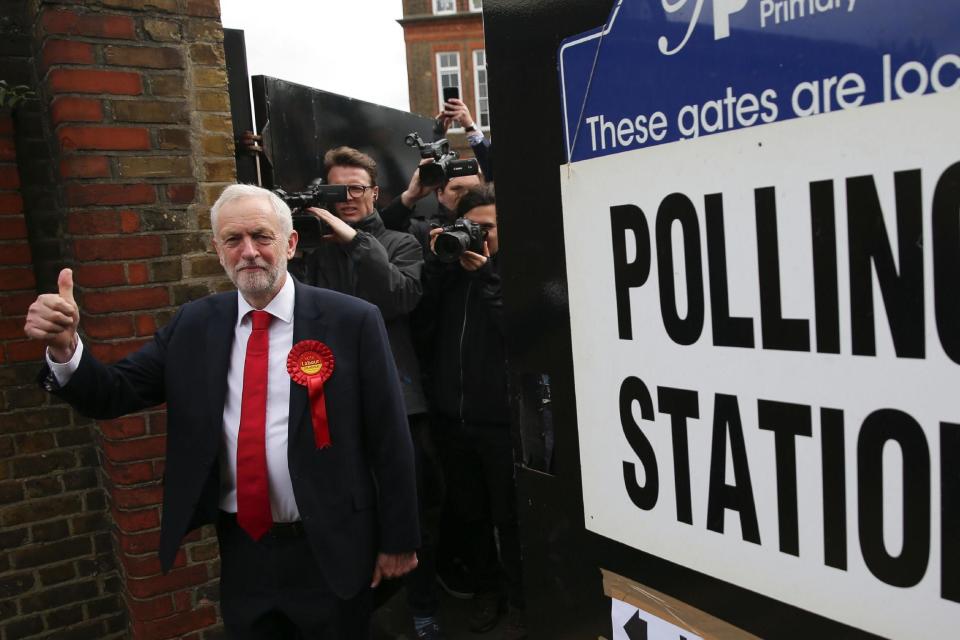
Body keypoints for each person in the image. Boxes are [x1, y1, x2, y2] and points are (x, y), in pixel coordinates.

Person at [23, 184, 420, 640]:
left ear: (289, 244)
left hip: (330, 544)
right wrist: (65, 347)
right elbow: (114, 393)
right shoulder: (195, 324)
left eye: (261, 236)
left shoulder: (352, 320)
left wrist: (399, 539)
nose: (248, 251)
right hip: (243, 549)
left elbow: (390, 438)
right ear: (218, 250)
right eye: (233, 240)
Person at [302, 147, 445, 640]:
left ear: (374, 193)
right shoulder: (314, 258)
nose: (346, 199)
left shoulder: (403, 242)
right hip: (332, 405)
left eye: (356, 188)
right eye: (336, 190)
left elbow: (399, 297)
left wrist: (356, 241)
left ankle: (425, 609)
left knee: (410, 513)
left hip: (400, 404)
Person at [422, 184, 525, 639]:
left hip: (501, 424)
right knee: (471, 516)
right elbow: (419, 326)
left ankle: (522, 602)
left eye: (488, 228)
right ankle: (487, 592)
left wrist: (488, 278)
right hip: (452, 420)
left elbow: (521, 336)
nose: (478, 237)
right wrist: (438, 265)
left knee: (511, 519)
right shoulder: (448, 275)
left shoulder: (517, 272)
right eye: (471, 228)